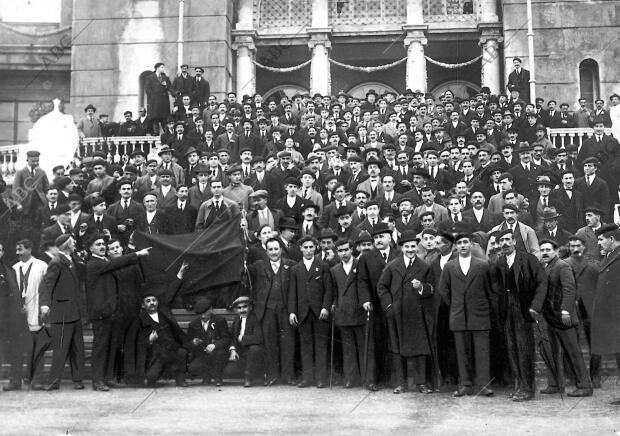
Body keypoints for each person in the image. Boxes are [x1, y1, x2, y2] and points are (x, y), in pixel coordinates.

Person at [85, 236, 151, 391]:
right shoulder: (94, 264)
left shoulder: (104, 262)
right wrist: (137, 254)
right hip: (101, 313)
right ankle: (97, 381)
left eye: (102, 244)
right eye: (98, 244)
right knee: (100, 348)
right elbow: (117, 262)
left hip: (108, 312)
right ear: (91, 249)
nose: (101, 246)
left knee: (107, 347)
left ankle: (106, 378)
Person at [438, 232, 496, 397]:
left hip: (480, 315)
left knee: (482, 351)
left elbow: (491, 290)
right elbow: (443, 290)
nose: (462, 245)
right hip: (458, 316)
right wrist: (456, 305)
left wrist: (481, 306)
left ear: (471, 244)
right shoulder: (449, 266)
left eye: (465, 242)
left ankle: (484, 385)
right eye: (459, 243)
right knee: (462, 352)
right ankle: (465, 384)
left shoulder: (482, 265)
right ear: (455, 246)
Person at [377, 230, 434, 394]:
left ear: (417, 247)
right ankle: (400, 383)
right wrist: (388, 306)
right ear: (402, 248)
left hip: (417, 314)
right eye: (407, 246)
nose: (410, 249)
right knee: (397, 348)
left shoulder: (424, 267)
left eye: (413, 246)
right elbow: (382, 287)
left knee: (420, 349)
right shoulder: (392, 266)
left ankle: (421, 383)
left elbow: (431, 288)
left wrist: (421, 287)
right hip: (397, 314)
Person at [495, 229, 547, 401]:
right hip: (506, 311)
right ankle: (520, 385)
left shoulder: (528, 259)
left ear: (514, 241)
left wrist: (535, 306)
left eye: (507, 240)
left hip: (523, 309)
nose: (504, 243)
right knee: (511, 348)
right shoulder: (500, 261)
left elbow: (542, 282)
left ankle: (528, 388)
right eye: (501, 241)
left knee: (524, 349)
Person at [538, 239, 593, 397]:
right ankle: (555, 384)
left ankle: (584, 386)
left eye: (548, 249)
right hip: (550, 317)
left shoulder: (562, 266)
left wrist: (565, 311)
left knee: (573, 352)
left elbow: (570, 289)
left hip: (563, 317)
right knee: (552, 351)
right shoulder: (546, 266)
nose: (545, 252)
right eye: (542, 250)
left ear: (555, 251)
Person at [39, 235, 86, 391]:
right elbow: (47, 285)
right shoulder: (57, 262)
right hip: (63, 313)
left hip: (74, 312)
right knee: (61, 348)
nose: (75, 244)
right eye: (73, 242)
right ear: (66, 245)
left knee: (77, 348)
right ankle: (54, 380)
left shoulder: (71, 259)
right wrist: (45, 304)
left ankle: (78, 380)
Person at [248, 237, 296, 386]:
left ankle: (287, 376)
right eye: (271, 249)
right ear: (266, 251)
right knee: (270, 343)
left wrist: (292, 310)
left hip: (285, 309)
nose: (274, 252)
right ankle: (272, 375)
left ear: (281, 250)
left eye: (276, 249)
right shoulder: (258, 266)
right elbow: (244, 271)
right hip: (266, 310)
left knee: (287, 343)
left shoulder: (291, 265)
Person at [330, 239, 374, 389]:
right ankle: (350, 378)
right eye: (340, 251)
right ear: (337, 252)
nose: (344, 253)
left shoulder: (360, 265)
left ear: (352, 250)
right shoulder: (335, 270)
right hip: (343, 314)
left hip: (359, 312)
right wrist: (335, 306)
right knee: (348, 349)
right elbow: (334, 292)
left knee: (364, 347)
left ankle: (367, 379)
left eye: (346, 250)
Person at [6, 240, 50, 390]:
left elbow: (47, 288)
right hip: (18, 314)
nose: (17, 253)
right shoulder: (13, 268)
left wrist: (45, 307)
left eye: (20, 250)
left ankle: (37, 380)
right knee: (17, 347)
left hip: (36, 310)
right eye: (16, 250)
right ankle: (15, 381)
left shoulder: (41, 266)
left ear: (29, 249)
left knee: (38, 346)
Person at [289, 236, 332, 388]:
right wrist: (292, 312)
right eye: (305, 247)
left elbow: (328, 290)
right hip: (303, 313)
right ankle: (307, 378)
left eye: (311, 247)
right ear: (300, 248)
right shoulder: (295, 269)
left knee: (320, 346)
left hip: (319, 313)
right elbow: (292, 292)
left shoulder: (323, 266)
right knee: (305, 346)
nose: (308, 250)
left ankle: (320, 379)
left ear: (316, 248)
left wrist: (325, 307)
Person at [565, 235, 603, 388]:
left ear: (584, 247)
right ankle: (572, 376)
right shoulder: (564, 264)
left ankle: (595, 376)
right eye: (572, 246)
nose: (575, 249)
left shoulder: (594, 264)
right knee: (570, 342)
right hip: (571, 307)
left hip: (590, 308)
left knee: (595, 343)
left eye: (578, 246)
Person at [137, 291, 189, 387]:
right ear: (143, 305)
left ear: (157, 302)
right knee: (149, 379)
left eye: (154, 300)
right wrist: (149, 339)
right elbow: (139, 343)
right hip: (158, 355)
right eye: (148, 301)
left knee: (182, 352)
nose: (152, 303)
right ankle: (153, 376)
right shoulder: (141, 320)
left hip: (173, 350)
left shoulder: (164, 315)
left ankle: (180, 379)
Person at [591, 224, 620, 383]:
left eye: (601, 240)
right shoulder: (610, 256)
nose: (598, 243)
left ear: (611, 239)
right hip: (612, 318)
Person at [187, 300, 230, 386]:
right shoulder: (193, 324)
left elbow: (226, 339)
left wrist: (215, 345)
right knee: (192, 368)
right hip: (202, 354)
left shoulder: (220, 321)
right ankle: (206, 376)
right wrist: (194, 342)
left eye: (204, 313)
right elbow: (188, 343)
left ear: (211, 309)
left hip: (217, 353)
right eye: (200, 314)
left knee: (220, 354)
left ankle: (218, 377)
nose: (202, 316)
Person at [228, 296, 264, 387]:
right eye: (239, 308)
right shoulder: (237, 319)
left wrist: (242, 338)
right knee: (229, 371)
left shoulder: (255, 319)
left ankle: (248, 377)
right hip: (241, 351)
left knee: (254, 349)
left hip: (252, 351)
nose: (242, 310)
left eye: (244, 307)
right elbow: (232, 337)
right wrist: (233, 350)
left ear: (250, 307)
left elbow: (258, 338)